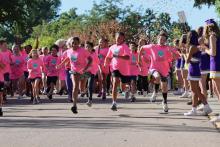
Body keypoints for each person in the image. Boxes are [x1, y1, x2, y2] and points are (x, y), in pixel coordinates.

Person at [139, 31, 179, 113]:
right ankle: (155, 92)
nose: (162, 41)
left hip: (164, 70)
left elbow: (177, 56)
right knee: (157, 76)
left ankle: (164, 102)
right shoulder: (152, 46)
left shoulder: (168, 48)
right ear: (158, 39)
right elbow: (141, 48)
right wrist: (139, 59)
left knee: (164, 87)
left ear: (166, 41)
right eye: (161, 39)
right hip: (154, 68)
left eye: (164, 39)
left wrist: (172, 54)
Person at [57, 37, 92, 114]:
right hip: (74, 71)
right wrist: (60, 64)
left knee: (81, 88)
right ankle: (74, 105)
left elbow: (90, 59)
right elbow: (67, 58)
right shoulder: (69, 51)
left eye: (76, 43)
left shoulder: (83, 51)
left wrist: (85, 68)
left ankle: (84, 91)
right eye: (72, 43)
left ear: (78, 43)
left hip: (83, 71)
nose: (74, 45)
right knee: (75, 86)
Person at [184, 30, 212, 116]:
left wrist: (185, 53)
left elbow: (187, 61)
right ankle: (197, 108)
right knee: (196, 91)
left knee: (195, 91)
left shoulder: (192, 47)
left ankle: (203, 107)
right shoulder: (196, 46)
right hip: (196, 69)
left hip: (193, 69)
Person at [104, 32, 130, 111]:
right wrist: (106, 63)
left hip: (124, 69)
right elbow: (108, 57)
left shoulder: (124, 46)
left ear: (123, 39)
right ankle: (114, 103)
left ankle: (126, 89)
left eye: (121, 38)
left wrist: (118, 56)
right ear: (115, 38)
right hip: (114, 67)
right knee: (115, 82)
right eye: (117, 37)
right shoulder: (112, 47)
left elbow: (127, 57)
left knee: (122, 87)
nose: (119, 39)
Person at [202, 19, 220, 122]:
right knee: (215, 88)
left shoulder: (212, 36)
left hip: (216, 65)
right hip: (216, 65)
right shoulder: (217, 36)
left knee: (218, 90)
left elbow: (213, 53)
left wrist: (205, 49)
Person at [85, 41, 99, 107]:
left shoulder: (94, 54)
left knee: (89, 85)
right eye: (86, 46)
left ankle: (89, 100)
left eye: (88, 47)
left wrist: (91, 66)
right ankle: (83, 91)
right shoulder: (83, 54)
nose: (87, 48)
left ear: (91, 48)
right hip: (84, 71)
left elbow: (97, 63)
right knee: (83, 84)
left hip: (91, 71)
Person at [0, 50, 5, 116]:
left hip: (0, 79)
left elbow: (3, 66)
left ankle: (0, 107)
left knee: (0, 94)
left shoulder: (1, 55)